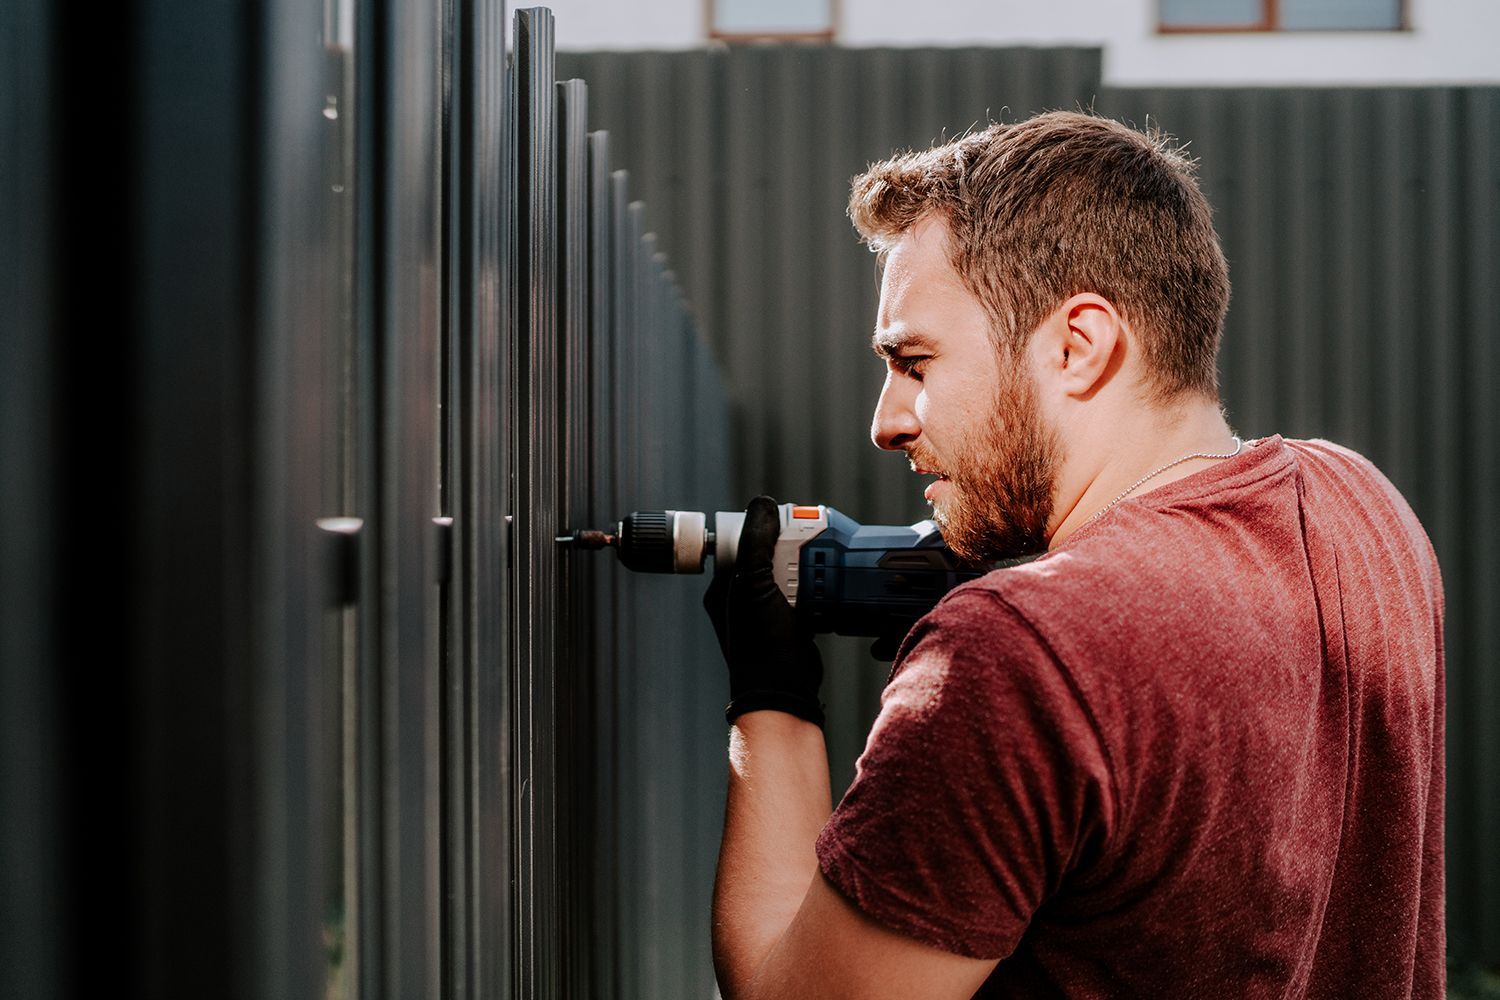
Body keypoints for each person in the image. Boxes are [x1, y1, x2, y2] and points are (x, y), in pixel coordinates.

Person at [702, 111, 1444, 999]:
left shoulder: (1014, 655)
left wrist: (771, 692)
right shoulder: (1363, 506)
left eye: (916, 362)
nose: (887, 421)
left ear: (1078, 345)